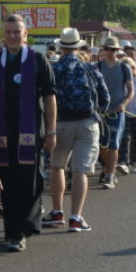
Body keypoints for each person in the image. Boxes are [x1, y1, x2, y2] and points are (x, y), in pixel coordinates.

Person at [0, 15, 57, 252]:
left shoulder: (38, 60)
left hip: (31, 130)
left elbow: (50, 97)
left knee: (30, 181)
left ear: (25, 34)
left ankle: (25, 224)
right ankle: (14, 232)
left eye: (16, 32)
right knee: (8, 182)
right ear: (3, 33)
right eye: (8, 32)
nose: (12, 36)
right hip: (2, 133)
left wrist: (51, 131)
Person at [43, 28, 109, 233]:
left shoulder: (53, 69)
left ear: (61, 47)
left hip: (60, 123)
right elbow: (105, 98)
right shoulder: (90, 68)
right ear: (79, 46)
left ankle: (57, 212)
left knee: (57, 167)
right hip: (87, 123)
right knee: (81, 171)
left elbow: (45, 98)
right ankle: (76, 217)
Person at [95, 36, 133, 189]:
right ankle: (109, 167)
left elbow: (131, 90)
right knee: (100, 144)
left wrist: (124, 103)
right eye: (107, 49)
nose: (110, 52)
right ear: (103, 50)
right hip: (100, 111)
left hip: (117, 111)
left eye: (113, 49)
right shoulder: (97, 66)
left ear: (118, 51)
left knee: (113, 144)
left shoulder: (124, 67)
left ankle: (110, 175)